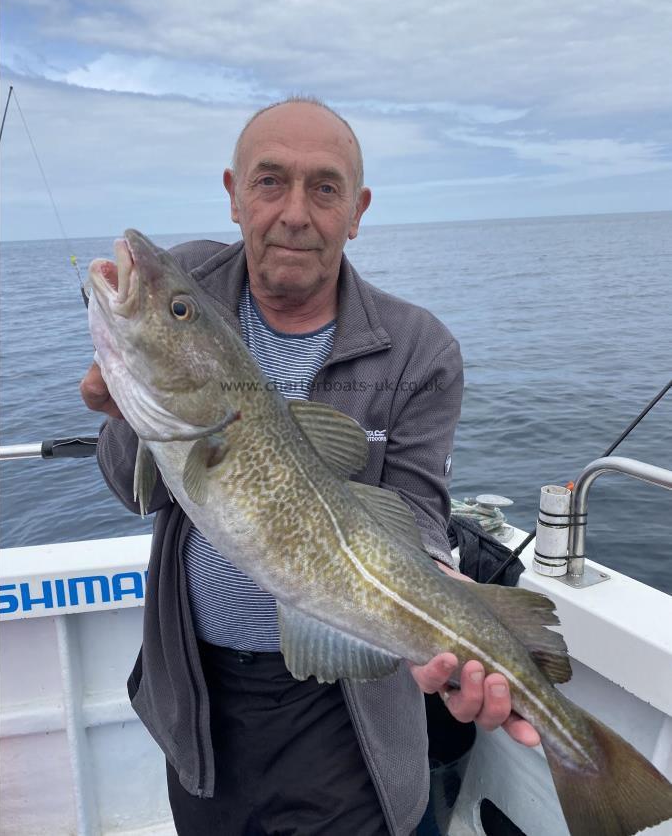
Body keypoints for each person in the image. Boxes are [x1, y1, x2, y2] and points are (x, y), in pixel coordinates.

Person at [80, 98, 539, 836]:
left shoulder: (419, 347)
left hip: (349, 706)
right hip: (198, 692)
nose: (295, 212)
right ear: (233, 193)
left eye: (324, 188)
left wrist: (450, 597)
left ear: (356, 211)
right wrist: (120, 411)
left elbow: (417, 515)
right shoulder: (193, 277)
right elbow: (134, 490)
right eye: (270, 182)